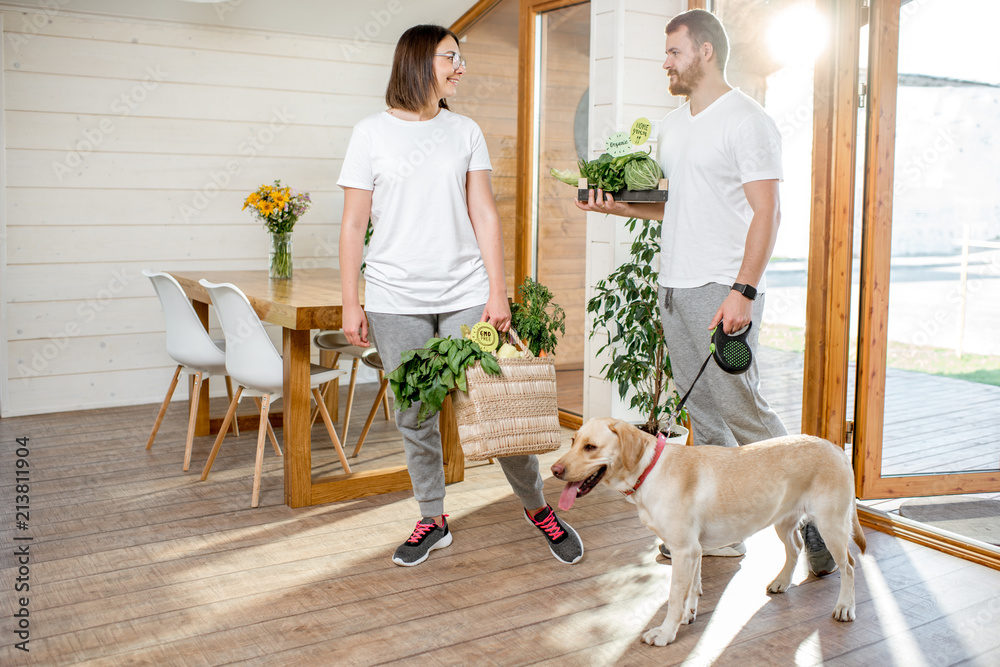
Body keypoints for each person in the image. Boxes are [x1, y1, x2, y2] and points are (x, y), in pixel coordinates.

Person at [576, 9, 836, 576]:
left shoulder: (747, 121)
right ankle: (721, 534)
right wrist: (614, 205)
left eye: (674, 52)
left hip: (722, 285)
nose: (665, 62)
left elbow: (767, 211)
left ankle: (816, 519)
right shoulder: (674, 125)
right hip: (674, 286)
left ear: (706, 52)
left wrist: (743, 290)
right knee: (703, 412)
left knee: (742, 409)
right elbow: (675, 205)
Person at [338, 24, 583, 568]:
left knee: (496, 406)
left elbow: (485, 214)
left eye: (460, 57)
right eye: (451, 57)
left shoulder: (465, 130)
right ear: (420, 62)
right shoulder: (370, 133)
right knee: (415, 412)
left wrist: (498, 292)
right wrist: (351, 301)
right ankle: (433, 517)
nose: (460, 67)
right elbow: (353, 226)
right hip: (392, 298)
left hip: (466, 293)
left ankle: (538, 508)